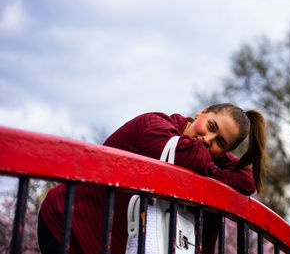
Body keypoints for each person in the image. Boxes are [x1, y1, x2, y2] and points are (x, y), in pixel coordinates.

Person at [38, 103, 268, 254]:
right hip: (69, 225)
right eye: (210, 126)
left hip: (109, 244)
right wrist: (214, 169)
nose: (208, 139)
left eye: (220, 142)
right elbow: (194, 155)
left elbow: (246, 181)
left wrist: (212, 168)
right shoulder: (154, 126)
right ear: (202, 112)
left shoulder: (204, 159)